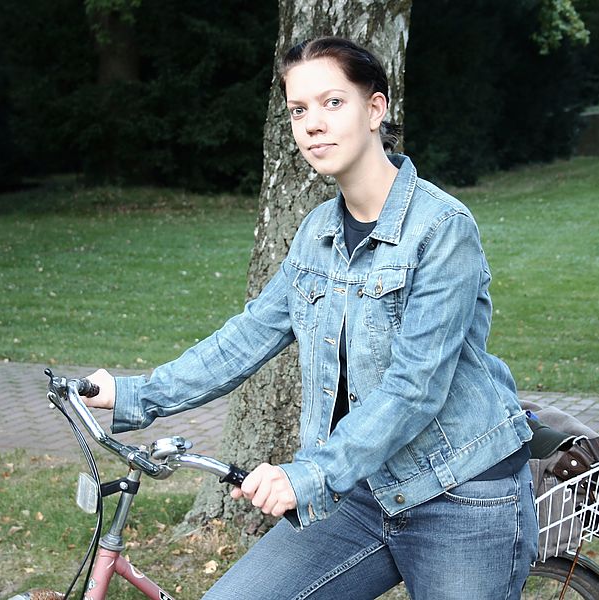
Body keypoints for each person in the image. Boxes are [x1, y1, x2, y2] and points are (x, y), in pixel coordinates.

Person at [82, 36, 538, 599]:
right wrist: (133, 396)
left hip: (460, 493)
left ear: (376, 109)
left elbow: (416, 388)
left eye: (332, 103)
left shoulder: (442, 229)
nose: (312, 124)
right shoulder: (316, 233)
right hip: (363, 488)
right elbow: (248, 337)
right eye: (299, 110)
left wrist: (310, 475)